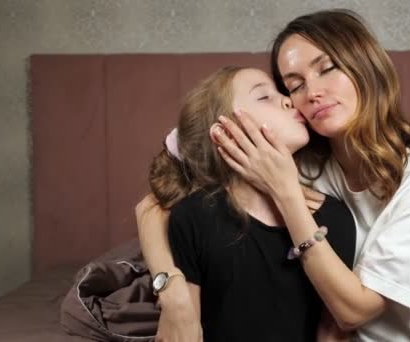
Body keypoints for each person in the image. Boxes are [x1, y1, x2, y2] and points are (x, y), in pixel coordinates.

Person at [137, 9, 410, 342]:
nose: (311, 93)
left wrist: (286, 192)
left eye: (326, 69)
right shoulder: (299, 159)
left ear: (366, 67)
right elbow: (154, 206)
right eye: (293, 86)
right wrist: (172, 292)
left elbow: (353, 312)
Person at [141, 65, 355, 342]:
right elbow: (187, 332)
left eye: (280, 92)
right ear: (224, 132)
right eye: (263, 97)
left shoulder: (334, 216)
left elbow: (331, 331)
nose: (288, 99)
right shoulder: (195, 216)